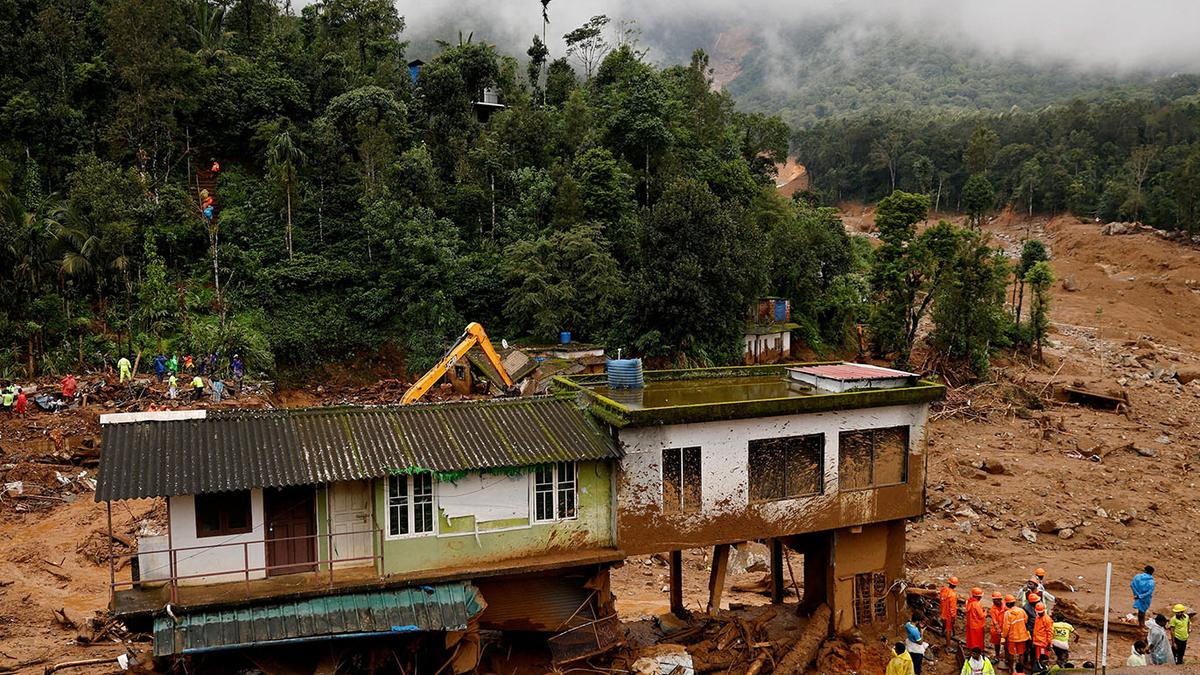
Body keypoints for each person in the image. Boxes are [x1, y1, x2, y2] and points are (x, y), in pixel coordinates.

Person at [1004, 594, 1031, 672]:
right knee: (1021, 653)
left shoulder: (1007, 613)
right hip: (1023, 636)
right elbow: (1026, 620)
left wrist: (1004, 636)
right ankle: (1021, 670)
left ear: (1007, 604)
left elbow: (1006, 627)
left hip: (1012, 637)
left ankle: (1012, 670)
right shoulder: (1021, 611)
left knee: (1011, 653)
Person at [966, 587, 987, 652]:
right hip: (977, 625)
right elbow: (981, 616)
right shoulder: (977, 604)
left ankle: (971, 649)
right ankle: (977, 651)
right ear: (978, 597)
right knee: (978, 640)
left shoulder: (968, 602)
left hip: (970, 624)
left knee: (971, 639)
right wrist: (985, 612)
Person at [940, 576, 960, 643]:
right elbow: (952, 608)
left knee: (943, 623)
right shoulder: (953, 595)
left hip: (943, 611)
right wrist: (953, 617)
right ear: (955, 585)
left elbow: (941, 598)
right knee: (949, 630)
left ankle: (942, 632)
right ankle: (948, 646)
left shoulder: (943, 590)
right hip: (948, 614)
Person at [989, 591, 1006, 662]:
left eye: (999, 599)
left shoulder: (1005, 606)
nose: (998, 601)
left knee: (1005, 643)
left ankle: (1006, 657)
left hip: (1005, 628)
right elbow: (994, 620)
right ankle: (997, 656)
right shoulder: (993, 609)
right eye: (996, 600)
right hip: (997, 630)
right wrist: (998, 630)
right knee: (997, 643)